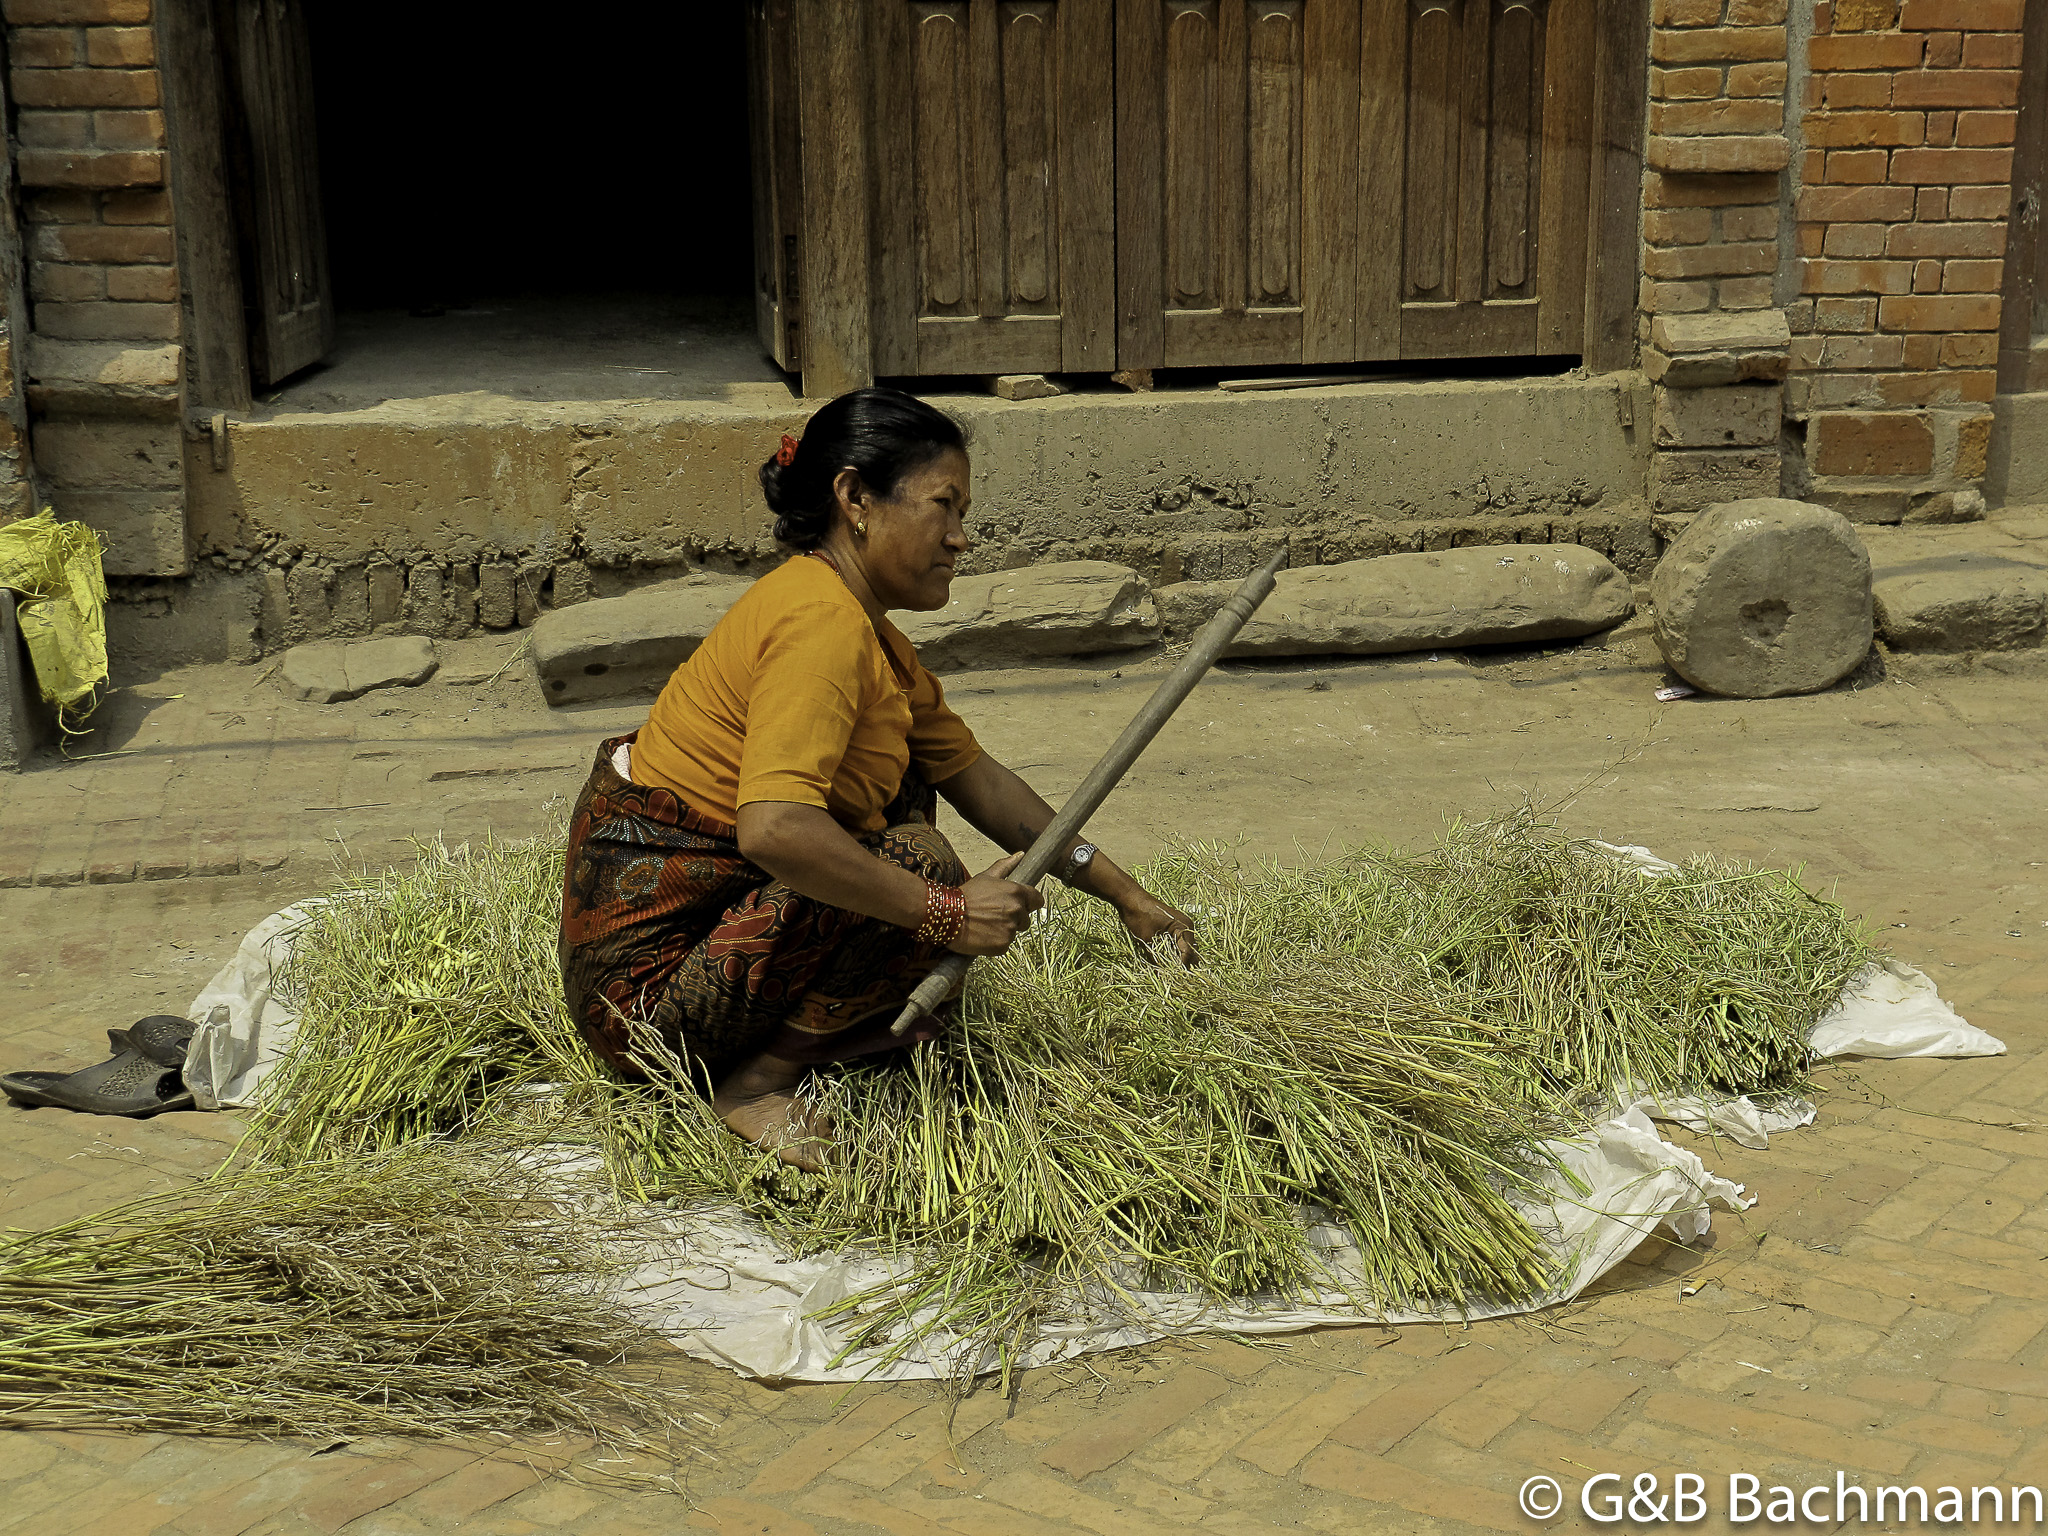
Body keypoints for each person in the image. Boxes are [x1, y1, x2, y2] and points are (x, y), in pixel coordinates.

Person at [559, 387, 1196, 1168]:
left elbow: (980, 780)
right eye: (943, 506)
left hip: (707, 955)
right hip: (648, 1013)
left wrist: (1127, 899)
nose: (960, 538)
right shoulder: (819, 624)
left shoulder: (874, 640)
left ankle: (795, 1040)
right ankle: (757, 1083)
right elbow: (774, 829)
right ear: (855, 497)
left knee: (900, 790)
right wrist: (946, 913)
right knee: (918, 859)